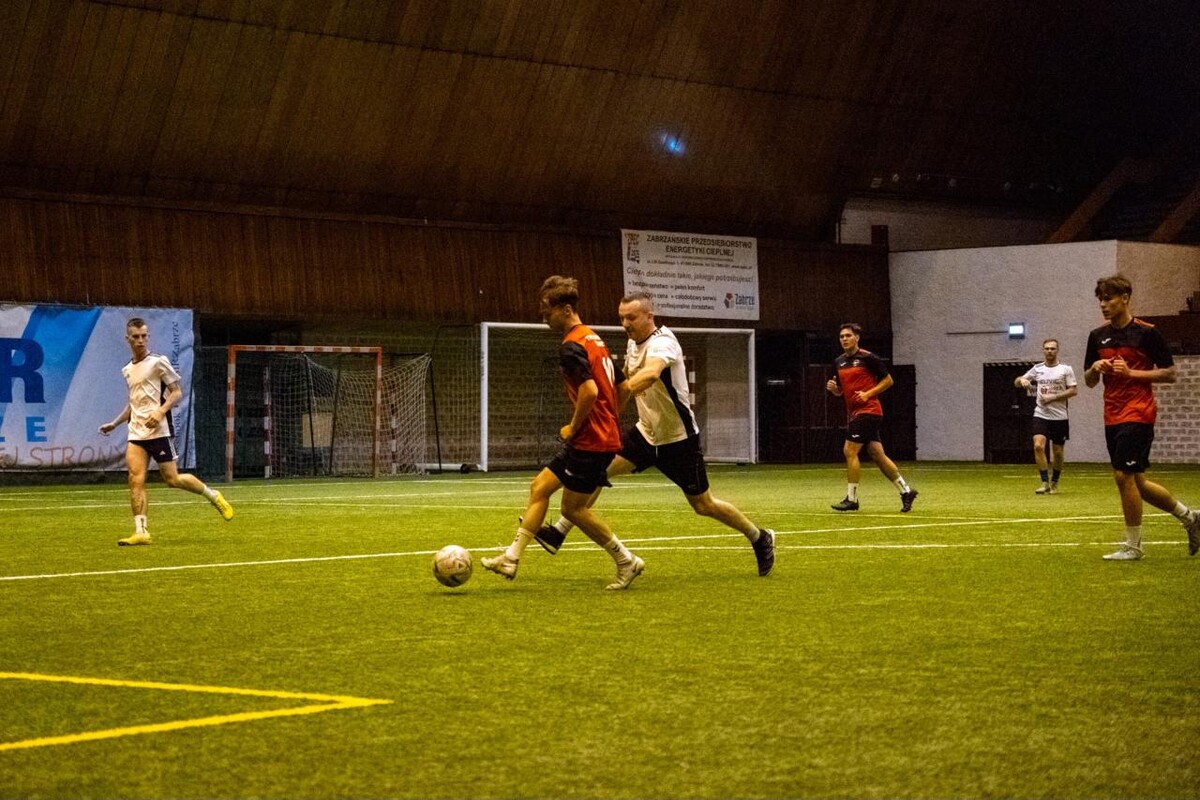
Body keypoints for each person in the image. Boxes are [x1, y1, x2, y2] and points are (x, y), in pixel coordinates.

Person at [533, 291, 776, 576]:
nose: (626, 324)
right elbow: (623, 381)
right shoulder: (632, 343)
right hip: (645, 435)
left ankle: (759, 537)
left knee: (703, 504)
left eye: (631, 317)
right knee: (597, 471)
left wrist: (619, 391)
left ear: (650, 316)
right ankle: (559, 531)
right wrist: (611, 417)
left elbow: (649, 375)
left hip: (678, 440)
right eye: (622, 318)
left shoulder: (663, 342)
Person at [481, 276, 645, 589]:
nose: (545, 319)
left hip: (591, 441)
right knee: (540, 487)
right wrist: (609, 418)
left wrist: (575, 425)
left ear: (566, 309)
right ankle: (511, 558)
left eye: (548, 312)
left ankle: (627, 561)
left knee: (574, 509)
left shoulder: (571, 347)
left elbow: (589, 391)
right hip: (594, 437)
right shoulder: (594, 339)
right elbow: (623, 386)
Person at [1083, 274, 1200, 561]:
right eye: (1100, 300)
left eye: (1108, 298)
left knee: (1123, 476)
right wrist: (1095, 368)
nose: (1103, 304)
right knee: (1138, 482)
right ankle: (1190, 517)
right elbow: (1088, 382)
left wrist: (1131, 373)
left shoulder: (1147, 333)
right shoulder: (1097, 336)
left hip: (1138, 411)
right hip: (1112, 414)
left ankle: (1133, 546)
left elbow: (1170, 373)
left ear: (1125, 298)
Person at [99, 317, 234, 546]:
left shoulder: (158, 362)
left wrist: (160, 412)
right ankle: (141, 531)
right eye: (136, 337)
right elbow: (134, 403)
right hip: (136, 433)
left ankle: (213, 495)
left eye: (144, 336)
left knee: (172, 479)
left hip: (159, 431)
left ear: (148, 337)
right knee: (135, 479)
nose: (140, 340)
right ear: (127, 338)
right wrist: (115, 423)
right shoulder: (127, 369)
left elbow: (176, 392)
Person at [825, 323, 917, 513]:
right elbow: (842, 390)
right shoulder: (839, 362)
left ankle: (852, 499)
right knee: (877, 454)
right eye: (842, 336)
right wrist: (835, 390)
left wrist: (868, 394)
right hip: (855, 414)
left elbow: (888, 380)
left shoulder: (868, 358)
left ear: (857, 338)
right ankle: (906, 491)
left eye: (848, 335)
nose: (844, 339)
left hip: (869, 411)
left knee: (849, 450)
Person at [1015, 339, 1078, 494]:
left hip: (1059, 416)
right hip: (1041, 413)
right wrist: (1022, 380)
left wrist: (1053, 397)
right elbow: (1017, 382)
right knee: (1038, 446)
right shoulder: (1037, 369)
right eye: (1047, 348)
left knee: (1057, 451)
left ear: (1057, 350)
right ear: (1043, 350)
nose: (1050, 351)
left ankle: (1055, 482)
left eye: (1052, 348)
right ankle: (1044, 482)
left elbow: (1073, 390)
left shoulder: (1065, 369)